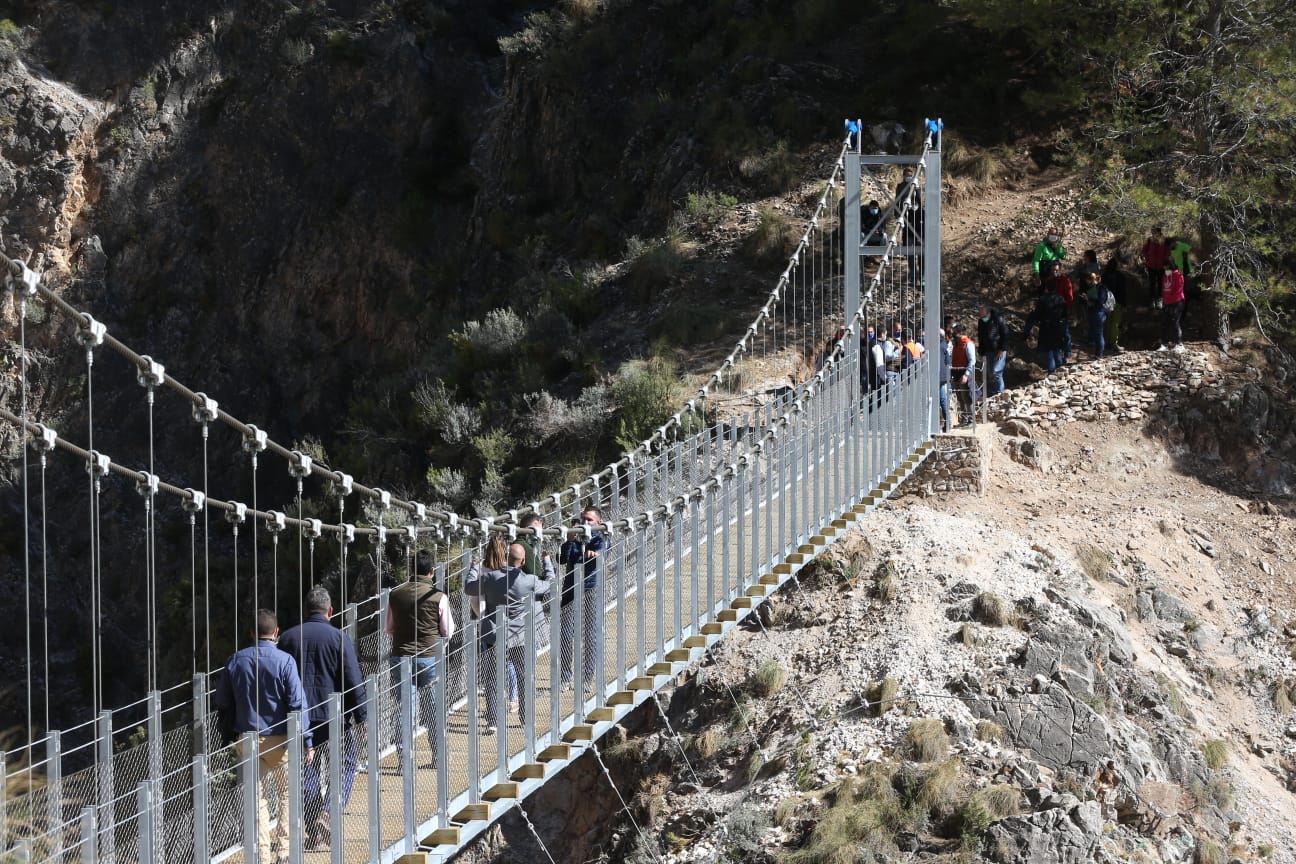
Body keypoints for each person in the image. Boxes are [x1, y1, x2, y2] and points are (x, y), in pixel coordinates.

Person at [214, 609, 312, 864]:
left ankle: (262, 857)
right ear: (276, 632)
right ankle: (286, 852)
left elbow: (222, 700)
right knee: (287, 794)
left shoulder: (236, 660)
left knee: (256, 802)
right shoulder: (285, 661)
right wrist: (307, 740)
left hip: (247, 739)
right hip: (282, 740)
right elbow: (297, 704)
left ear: (251, 633)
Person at [277, 586, 366, 851]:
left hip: (298, 719)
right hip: (333, 716)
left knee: (307, 771)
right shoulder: (339, 638)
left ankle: (315, 819)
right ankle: (328, 812)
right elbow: (353, 679)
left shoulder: (289, 638)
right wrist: (362, 718)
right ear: (331, 611)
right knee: (347, 763)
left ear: (306, 611)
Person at [465, 539, 555, 733]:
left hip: (494, 635)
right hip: (520, 636)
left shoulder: (490, 578)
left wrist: (473, 568)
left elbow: (469, 588)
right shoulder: (529, 581)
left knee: (491, 678)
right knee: (524, 677)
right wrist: (547, 562)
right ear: (523, 562)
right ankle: (525, 718)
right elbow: (550, 584)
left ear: (506, 558)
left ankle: (493, 721)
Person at [386, 549, 456, 760]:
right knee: (433, 708)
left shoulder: (395, 594)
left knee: (404, 709)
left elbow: (388, 628)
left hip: (400, 657)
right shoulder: (438, 596)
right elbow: (448, 630)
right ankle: (438, 755)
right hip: (429, 657)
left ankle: (404, 758)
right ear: (432, 571)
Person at [559, 506, 609, 693]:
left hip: (591, 591)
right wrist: (570, 541)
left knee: (590, 635)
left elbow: (602, 553)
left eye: (589, 520)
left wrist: (592, 554)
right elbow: (563, 558)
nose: (585, 524)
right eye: (583, 520)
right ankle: (565, 677)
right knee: (565, 635)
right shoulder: (575, 537)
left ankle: (586, 679)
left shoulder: (601, 537)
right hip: (571, 591)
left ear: (599, 523)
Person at [1023, 288, 1069, 373]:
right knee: (1056, 346)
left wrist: (1037, 319)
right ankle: (1060, 366)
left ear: (1046, 289)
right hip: (1057, 325)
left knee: (1049, 349)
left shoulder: (1043, 299)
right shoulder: (1060, 298)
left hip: (1046, 326)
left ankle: (1052, 370)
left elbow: (1037, 313)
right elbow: (1065, 313)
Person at [1044, 259, 1075, 362]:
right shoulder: (1049, 280)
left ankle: (1068, 354)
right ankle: (1057, 357)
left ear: (1060, 269)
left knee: (1065, 334)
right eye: (1053, 270)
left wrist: (1066, 308)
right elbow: (1045, 294)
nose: (1055, 272)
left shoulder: (1065, 281)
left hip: (1062, 311)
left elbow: (1070, 297)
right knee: (1055, 335)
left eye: (1056, 270)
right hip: (1051, 313)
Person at [976, 305, 1010, 396]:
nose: (979, 313)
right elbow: (981, 337)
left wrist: (1002, 349)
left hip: (999, 350)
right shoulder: (981, 321)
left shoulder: (998, 319)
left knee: (996, 371)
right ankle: (994, 393)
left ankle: (999, 392)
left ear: (987, 311)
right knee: (990, 373)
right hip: (988, 351)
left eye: (981, 311)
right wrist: (981, 351)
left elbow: (1005, 334)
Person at [949, 323, 977, 426]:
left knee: (966, 397)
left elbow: (972, 360)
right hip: (956, 373)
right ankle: (964, 419)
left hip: (964, 374)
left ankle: (971, 419)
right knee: (960, 398)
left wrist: (966, 374)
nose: (953, 334)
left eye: (955, 332)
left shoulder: (968, 344)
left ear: (960, 333)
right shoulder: (956, 344)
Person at [1158, 257, 1186, 352]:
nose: (1165, 270)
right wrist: (1164, 301)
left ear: (1171, 266)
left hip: (1177, 302)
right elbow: (1163, 289)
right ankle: (1164, 344)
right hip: (1167, 302)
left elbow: (1177, 291)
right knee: (1164, 323)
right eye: (1164, 268)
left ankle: (1179, 343)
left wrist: (1170, 301)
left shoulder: (1178, 275)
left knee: (1175, 322)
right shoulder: (1165, 276)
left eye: (1166, 268)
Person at [1101, 257, 1129, 353]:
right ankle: (1113, 342)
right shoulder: (1120, 276)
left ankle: (1106, 341)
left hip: (1106, 302)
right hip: (1117, 302)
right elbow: (1123, 291)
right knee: (1115, 323)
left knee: (1108, 322)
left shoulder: (1104, 276)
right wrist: (1124, 304)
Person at [1079, 271, 1108, 358]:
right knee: (1094, 332)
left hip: (1099, 313)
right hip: (1092, 312)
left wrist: (1088, 299)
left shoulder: (1101, 288)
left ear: (1091, 279)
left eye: (1087, 280)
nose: (1086, 282)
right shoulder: (1091, 288)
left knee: (1099, 334)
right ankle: (1095, 349)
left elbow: (1100, 301)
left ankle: (1099, 354)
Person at [1140, 226, 1169, 306]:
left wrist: (1165, 262)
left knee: (1160, 283)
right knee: (1152, 283)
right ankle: (1152, 300)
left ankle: (1160, 300)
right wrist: (1148, 258)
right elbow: (1144, 250)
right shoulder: (1149, 240)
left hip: (1161, 266)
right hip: (1151, 265)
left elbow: (1168, 252)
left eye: (1154, 232)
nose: (1153, 233)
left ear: (1159, 232)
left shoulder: (1164, 240)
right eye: (1152, 232)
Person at [938, 327, 951, 432]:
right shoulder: (944, 345)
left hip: (936, 376)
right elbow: (948, 361)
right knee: (943, 399)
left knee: (941, 399)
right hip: (942, 376)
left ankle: (945, 423)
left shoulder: (935, 346)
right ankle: (947, 423)